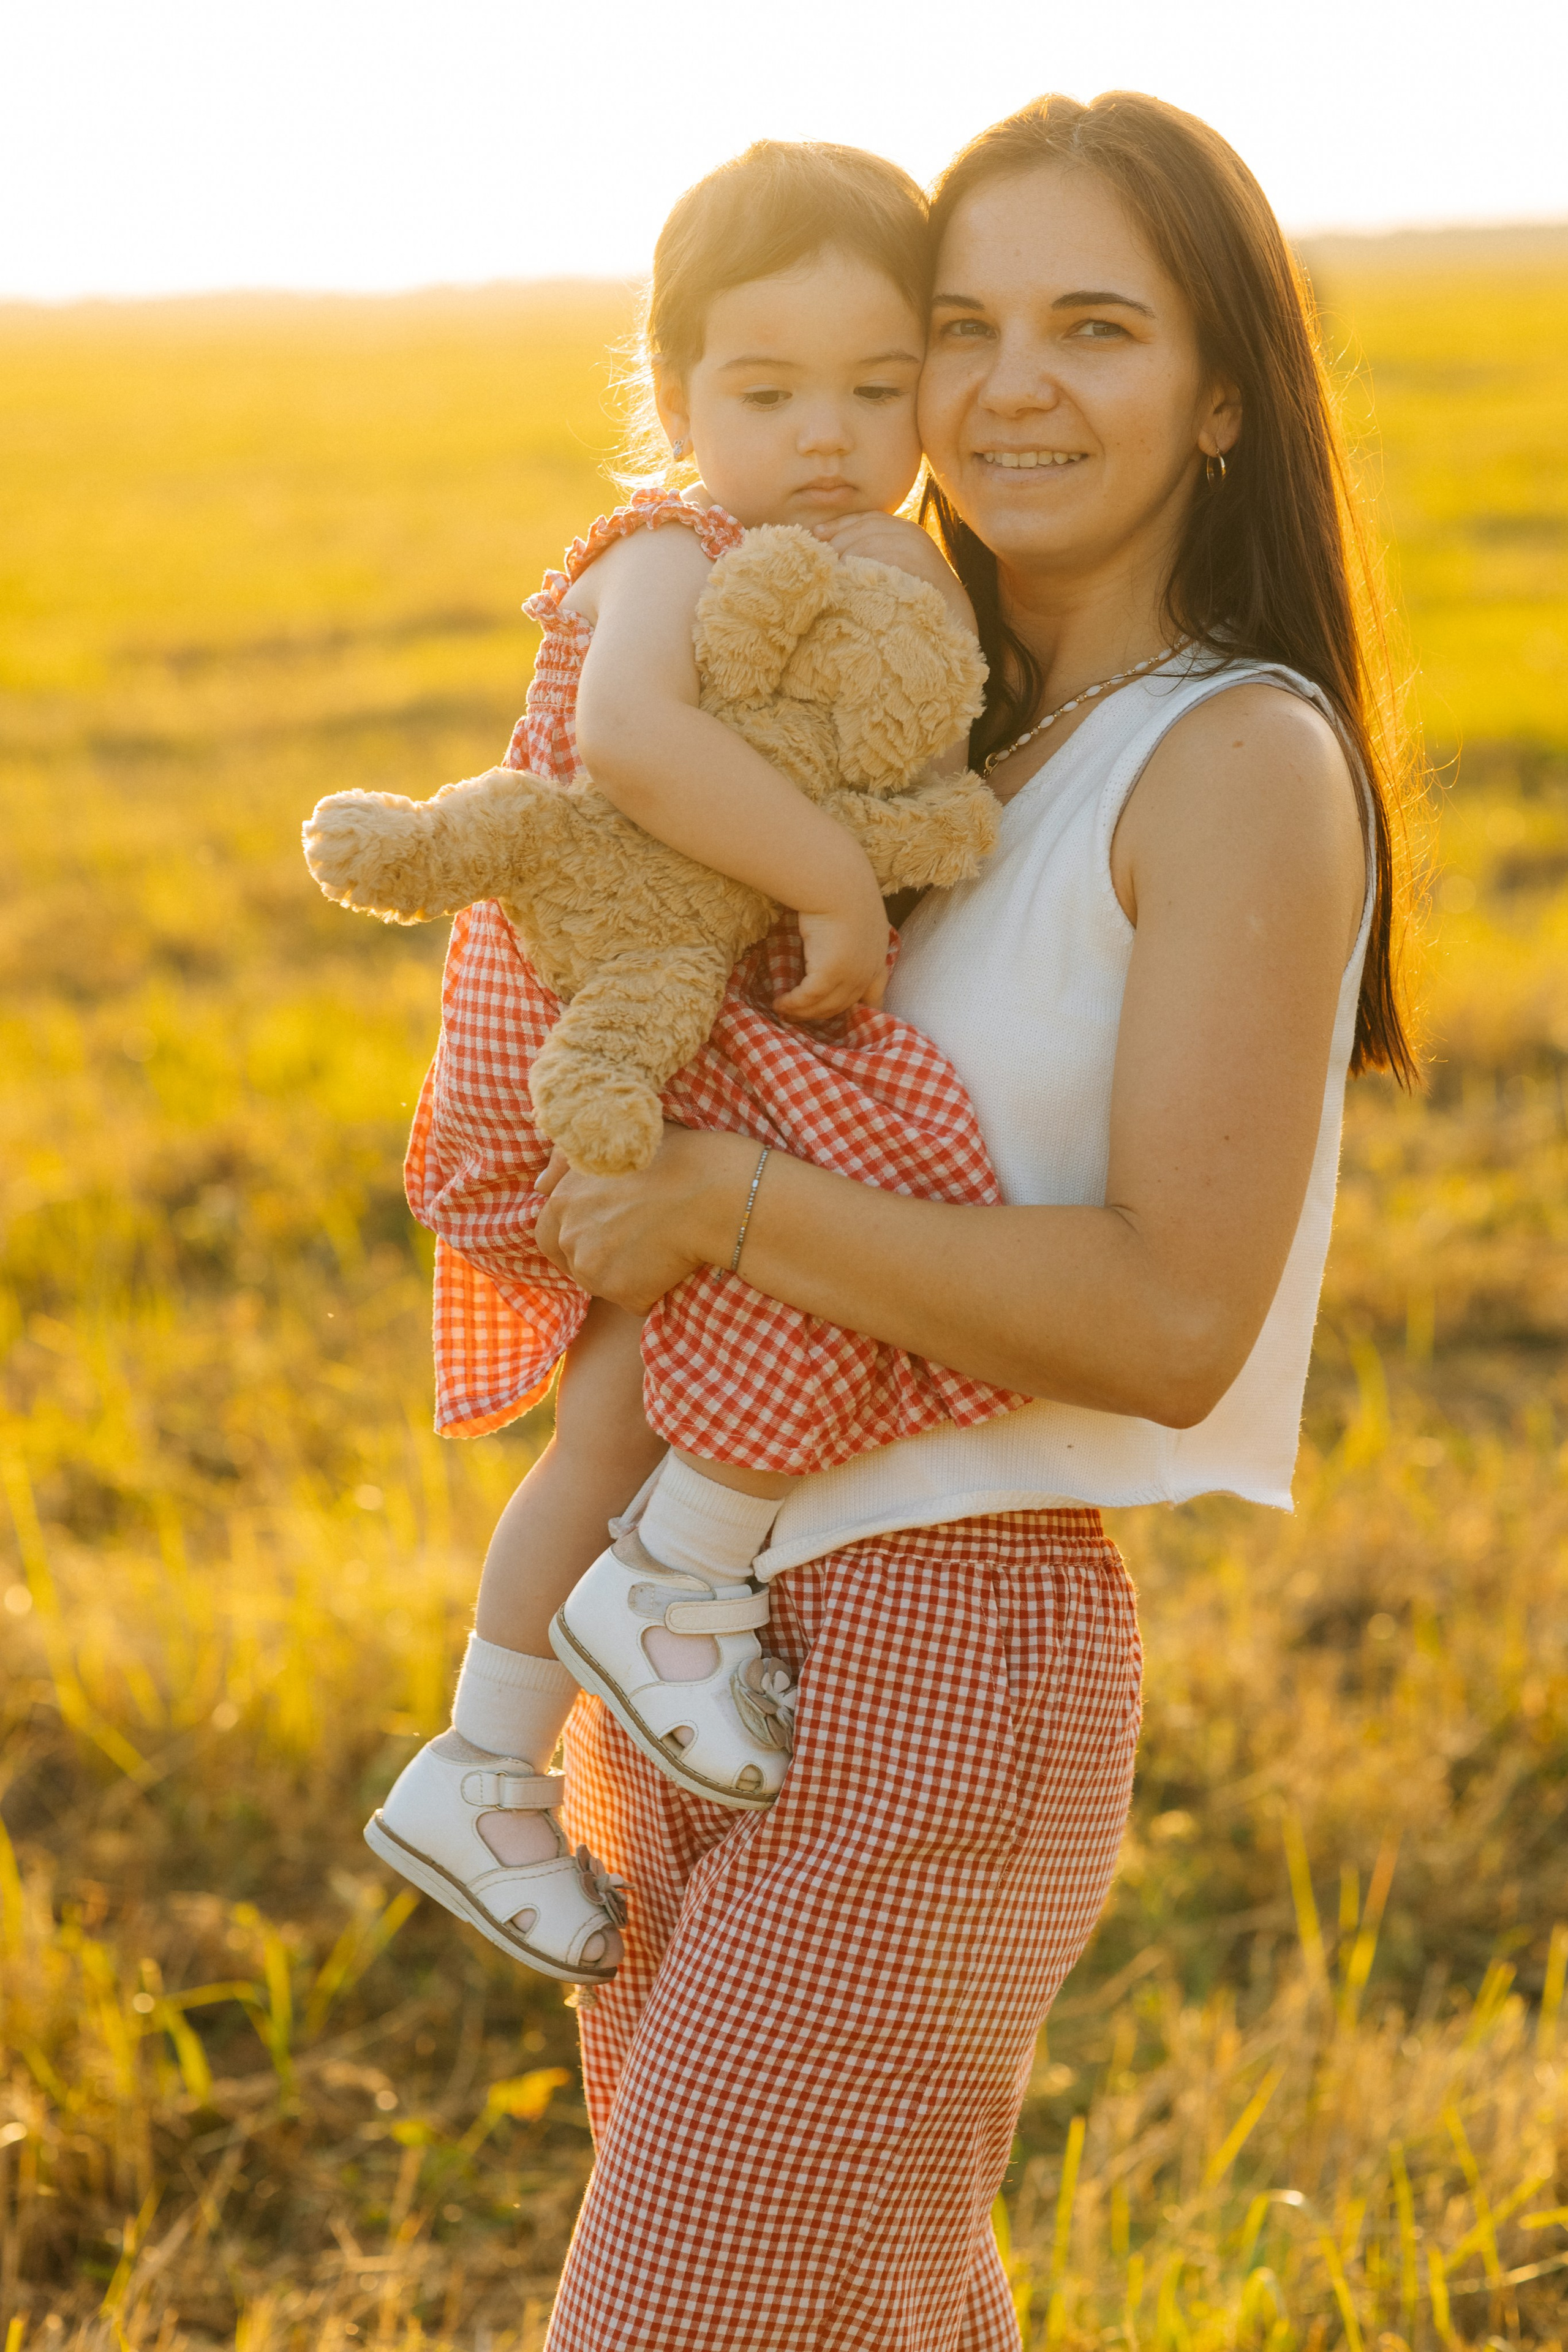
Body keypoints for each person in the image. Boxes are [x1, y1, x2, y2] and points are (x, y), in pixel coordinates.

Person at [528, 91, 1417, 2352]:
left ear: (1224, 391)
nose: (1011, 386)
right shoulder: (922, 738)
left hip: (953, 1651)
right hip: (693, 1639)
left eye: (1097, 328)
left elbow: (1167, 1314)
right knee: (874, 2310)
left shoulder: (1232, 758)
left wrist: (722, 1200)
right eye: (965, 325)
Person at [363, 141, 1025, 1991]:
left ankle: (487, 1765)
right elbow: (644, 743)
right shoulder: (669, 547)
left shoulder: (843, 560)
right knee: (883, 1178)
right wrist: (834, 884)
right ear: (669, 401)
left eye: (877, 387)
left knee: (622, 1402)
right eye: (766, 388)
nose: (828, 432)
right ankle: (676, 1585)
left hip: (655, 1029)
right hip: (584, 1048)